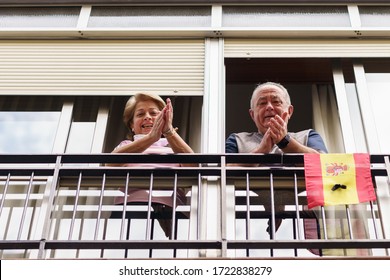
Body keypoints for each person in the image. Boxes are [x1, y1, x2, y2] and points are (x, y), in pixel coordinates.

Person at [225, 81, 328, 235]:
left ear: (289, 111)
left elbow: (325, 167)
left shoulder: (307, 136)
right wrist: (261, 151)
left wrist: (285, 142)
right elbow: (223, 170)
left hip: (299, 224)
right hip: (246, 225)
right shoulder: (237, 139)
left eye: (276, 101)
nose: (269, 107)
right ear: (252, 114)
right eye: (262, 103)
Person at [110, 92, 194, 238]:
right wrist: (150, 138)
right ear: (131, 125)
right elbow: (111, 163)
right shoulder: (126, 145)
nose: (147, 117)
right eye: (140, 114)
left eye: (154, 113)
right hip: (130, 210)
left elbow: (195, 169)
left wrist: (168, 131)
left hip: (172, 211)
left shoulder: (173, 146)